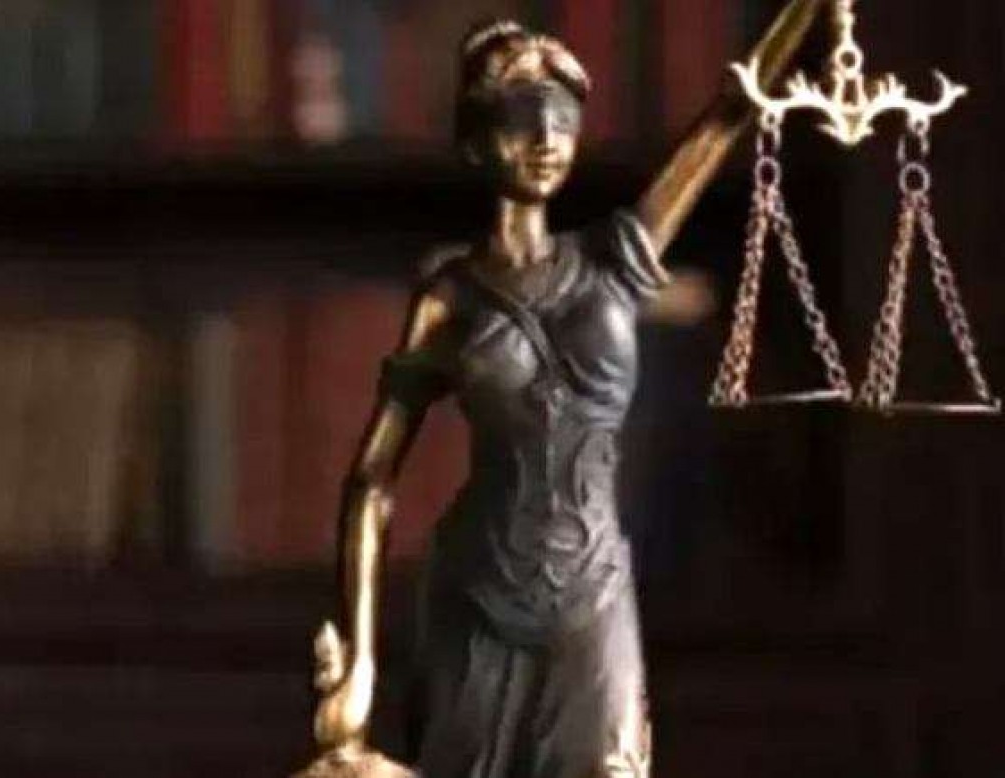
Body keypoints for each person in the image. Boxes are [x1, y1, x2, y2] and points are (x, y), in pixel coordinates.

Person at [308, 3, 825, 776]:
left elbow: (726, 117)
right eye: (522, 123)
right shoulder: (451, 296)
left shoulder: (614, 260)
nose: (547, 140)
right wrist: (360, 661)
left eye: (562, 123)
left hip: (591, 592)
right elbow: (372, 480)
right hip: (476, 594)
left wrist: (811, 13)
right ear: (476, 142)